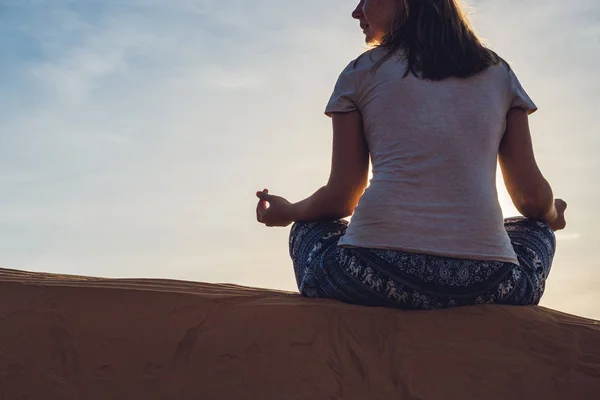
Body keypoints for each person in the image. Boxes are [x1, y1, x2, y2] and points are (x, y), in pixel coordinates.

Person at [255, 0, 567, 310]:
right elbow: (530, 197)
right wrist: (552, 216)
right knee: (535, 228)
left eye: (367, 0)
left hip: (367, 277)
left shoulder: (358, 73)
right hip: (486, 285)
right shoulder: (500, 73)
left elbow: (341, 198)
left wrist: (289, 212)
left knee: (309, 227)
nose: (356, 11)